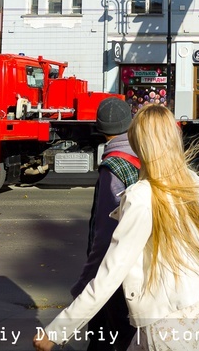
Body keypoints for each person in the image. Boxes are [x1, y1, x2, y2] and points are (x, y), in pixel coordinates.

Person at [33, 104, 199, 351]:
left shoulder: (142, 197)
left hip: (166, 324)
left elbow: (110, 273)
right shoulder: (192, 181)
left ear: (140, 144)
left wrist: (58, 331)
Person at [69, 97, 138, 351]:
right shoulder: (142, 155)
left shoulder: (113, 168)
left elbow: (104, 235)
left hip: (112, 274)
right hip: (136, 269)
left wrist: (86, 281)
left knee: (102, 337)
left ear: (100, 130)